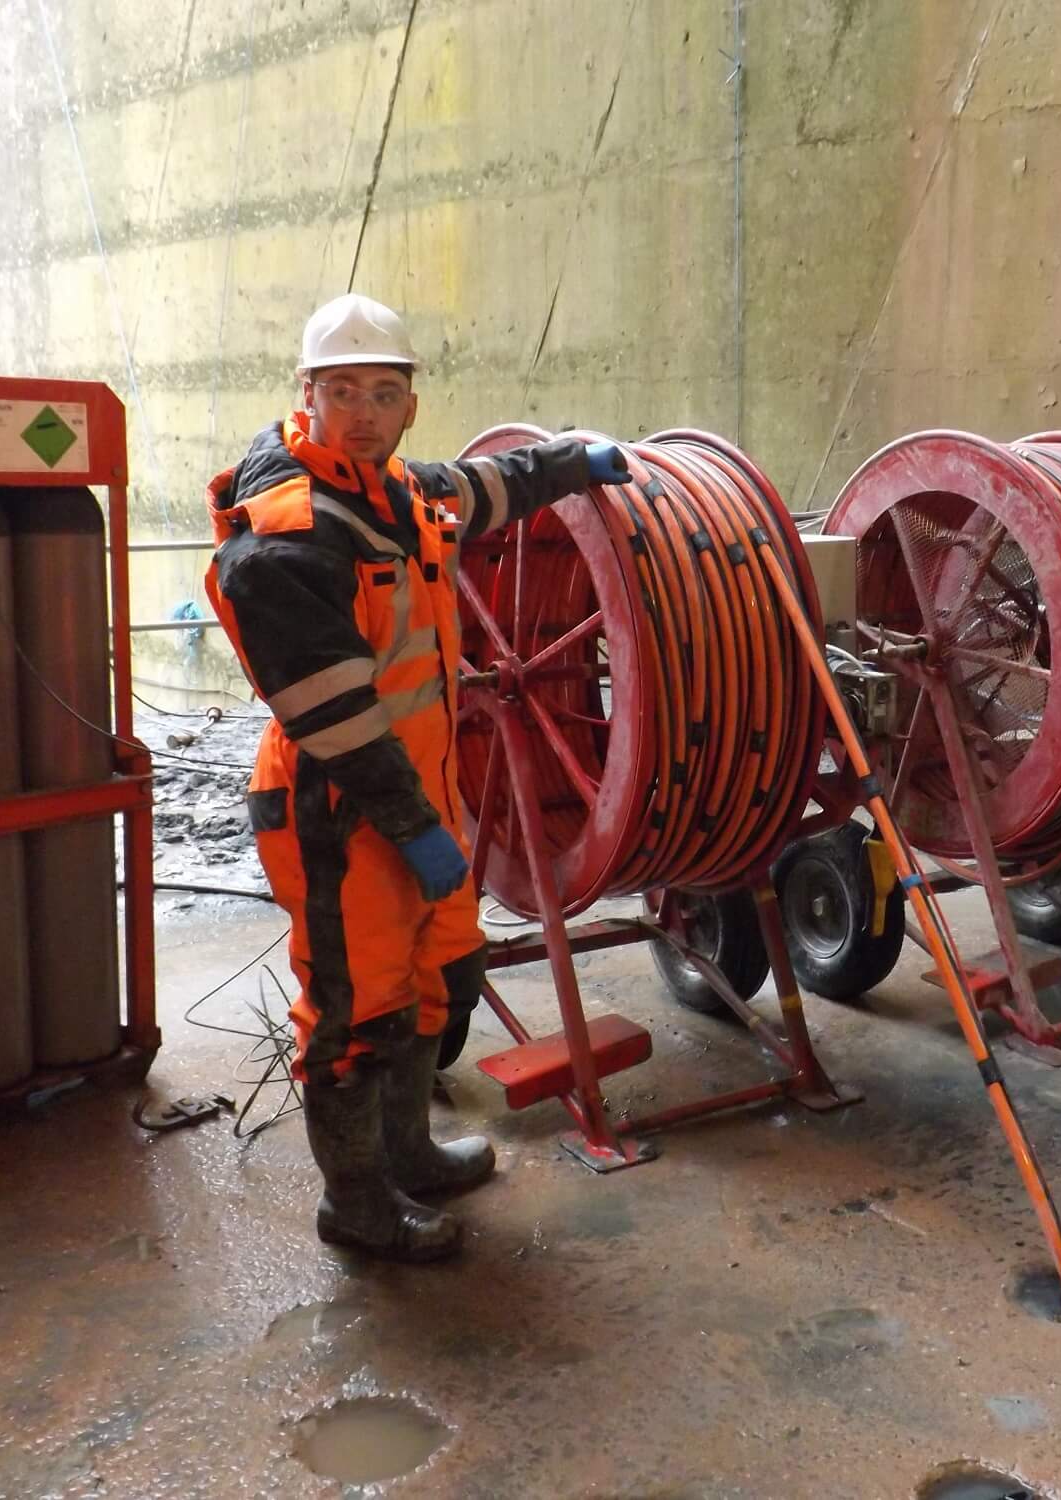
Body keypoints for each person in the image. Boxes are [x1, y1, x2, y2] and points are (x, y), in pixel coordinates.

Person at [203, 293, 630, 1260]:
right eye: (341, 390)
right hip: (337, 804)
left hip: (418, 795)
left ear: (409, 407)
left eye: (382, 392)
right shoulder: (290, 533)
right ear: (305, 396)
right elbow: (335, 717)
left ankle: (411, 1153)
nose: (362, 410)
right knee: (356, 1011)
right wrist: (415, 827)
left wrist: (570, 459)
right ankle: (354, 1204)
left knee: (436, 981)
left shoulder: (397, 492)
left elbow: (488, 486)